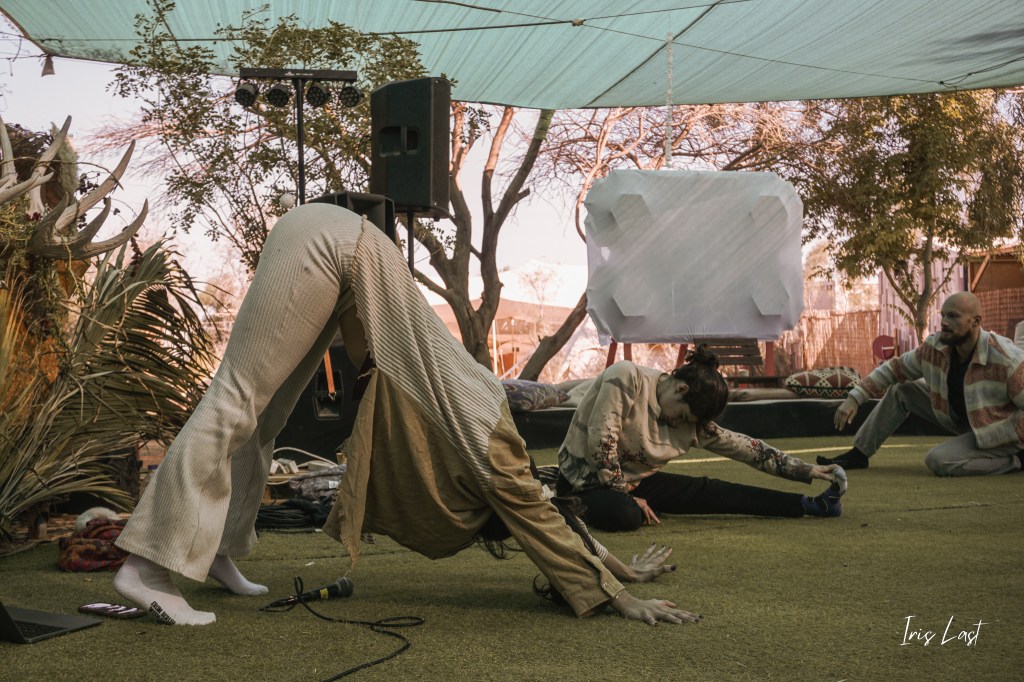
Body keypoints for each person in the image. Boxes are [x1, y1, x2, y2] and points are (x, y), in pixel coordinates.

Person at [113, 202, 698, 626]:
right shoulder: (492, 452)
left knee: (263, 421)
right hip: (331, 244)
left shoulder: (494, 436)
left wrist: (619, 570)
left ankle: (215, 549)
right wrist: (619, 596)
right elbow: (537, 516)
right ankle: (147, 569)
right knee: (236, 400)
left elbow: (545, 512)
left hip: (345, 255)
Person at [556, 349, 847, 532]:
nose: (681, 426)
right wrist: (625, 495)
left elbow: (749, 449)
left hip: (635, 484)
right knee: (626, 515)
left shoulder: (694, 424)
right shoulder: (627, 377)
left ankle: (809, 505)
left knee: (710, 490)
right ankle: (561, 503)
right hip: (584, 482)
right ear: (681, 389)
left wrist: (806, 470)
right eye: (683, 417)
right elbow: (602, 442)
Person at [817, 292, 1024, 476]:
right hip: (961, 420)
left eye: (953, 316)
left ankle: (1017, 461)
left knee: (939, 460)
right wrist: (855, 398)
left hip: (1000, 434)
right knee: (902, 390)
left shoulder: (1006, 359)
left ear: (975, 321)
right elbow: (895, 368)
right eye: (943, 315)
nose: (944, 322)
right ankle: (859, 454)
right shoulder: (936, 348)